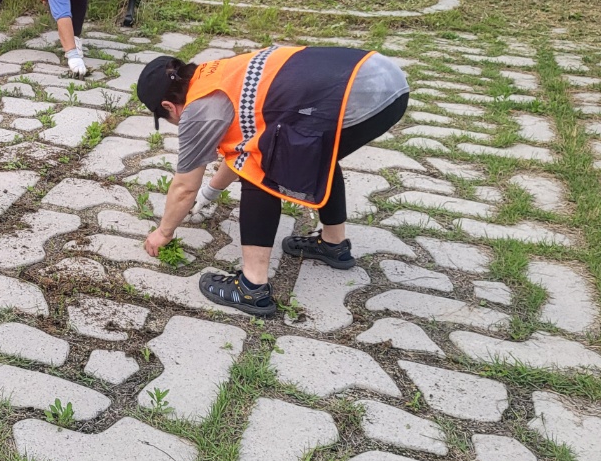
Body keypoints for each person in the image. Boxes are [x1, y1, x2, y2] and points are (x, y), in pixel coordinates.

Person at [135, 46, 410, 317]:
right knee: (316, 154)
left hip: (365, 96)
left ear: (168, 106)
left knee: (262, 171)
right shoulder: (216, 75)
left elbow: (184, 187)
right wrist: (210, 194)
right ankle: (333, 245)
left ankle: (252, 287)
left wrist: (164, 232)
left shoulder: (199, 109)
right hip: (381, 77)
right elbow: (241, 149)